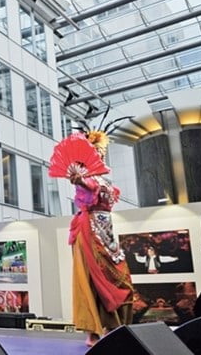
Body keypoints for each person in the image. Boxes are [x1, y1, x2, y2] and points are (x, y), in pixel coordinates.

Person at [67, 130, 133, 347]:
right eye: (96, 152)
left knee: (119, 276)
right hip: (89, 231)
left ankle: (114, 325)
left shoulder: (103, 178)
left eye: (102, 152)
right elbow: (87, 186)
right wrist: (80, 180)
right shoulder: (86, 179)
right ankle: (93, 331)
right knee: (93, 279)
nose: (100, 155)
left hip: (107, 232)